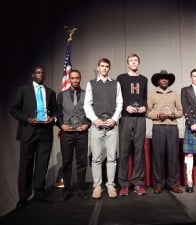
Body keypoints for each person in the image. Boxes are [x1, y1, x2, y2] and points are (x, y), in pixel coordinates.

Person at [10, 65, 57, 208]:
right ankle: (23, 197)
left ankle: (39, 193)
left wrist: (53, 118)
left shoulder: (50, 92)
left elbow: (55, 111)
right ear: (32, 75)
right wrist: (27, 119)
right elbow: (13, 109)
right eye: (38, 72)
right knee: (26, 165)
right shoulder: (23, 90)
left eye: (43, 73)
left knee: (42, 165)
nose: (41, 75)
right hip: (29, 131)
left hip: (45, 131)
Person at [84, 58, 123, 199]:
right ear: (98, 67)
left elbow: (120, 103)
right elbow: (87, 104)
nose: (104, 68)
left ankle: (111, 185)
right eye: (102, 66)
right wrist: (95, 120)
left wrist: (114, 119)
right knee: (96, 158)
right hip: (97, 125)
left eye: (107, 66)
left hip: (112, 125)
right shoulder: (91, 84)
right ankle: (97, 186)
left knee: (112, 157)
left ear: (109, 68)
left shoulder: (115, 84)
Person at [146, 70, 183, 194]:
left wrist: (174, 114)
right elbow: (147, 112)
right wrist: (157, 115)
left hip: (172, 127)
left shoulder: (175, 94)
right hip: (158, 127)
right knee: (158, 156)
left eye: (166, 79)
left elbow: (181, 111)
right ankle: (159, 183)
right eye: (162, 78)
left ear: (169, 81)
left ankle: (173, 183)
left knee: (173, 156)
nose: (164, 80)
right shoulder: (152, 94)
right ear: (158, 81)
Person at [56, 69, 91, 201]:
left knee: (82, 162)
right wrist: (61, 125)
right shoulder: (61, 95)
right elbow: (57, 113)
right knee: (67, 162)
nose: (75, 80)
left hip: (82, 133)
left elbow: (90, 113)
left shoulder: (87, 95)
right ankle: (66, 189)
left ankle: (81, 189)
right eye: (72, 78)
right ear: (69, 79)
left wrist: (87, 124)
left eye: (77, 78)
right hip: (67, 133)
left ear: (80, 79)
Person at [117, 53, 148, 196]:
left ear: (139, 63)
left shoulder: (144, 79)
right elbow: (117, 98)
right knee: (123, 151)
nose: (133, 63)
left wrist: (144, 107)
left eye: (136, 60)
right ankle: (123, 184)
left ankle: (138, 183)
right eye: (131, 61)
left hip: (140, 118)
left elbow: (145, 98)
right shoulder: (121, 78)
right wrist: (125, 107)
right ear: (127, 63)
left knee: (139, 150)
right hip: (126, 117)